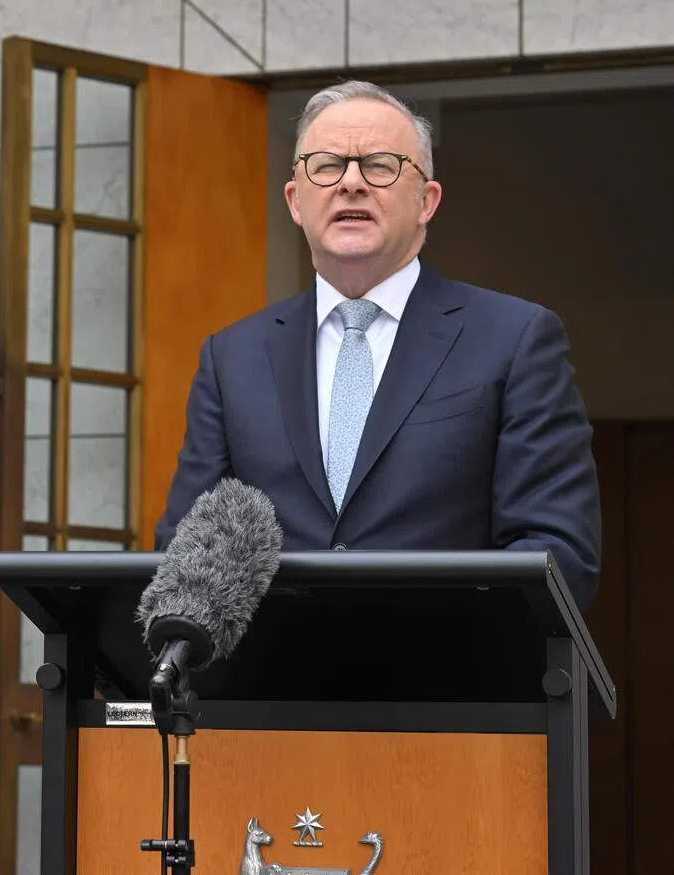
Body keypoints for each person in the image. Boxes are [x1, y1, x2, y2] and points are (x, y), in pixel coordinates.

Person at [156, 80, 601, 609]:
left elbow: (559, 555)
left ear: (426, 201)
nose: (351, 184)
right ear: (295, 201)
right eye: (326, 166)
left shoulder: (515, 339)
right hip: (272, 682)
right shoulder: (232, 357)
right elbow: (184, 553)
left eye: (381, 165)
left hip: (450, 679)